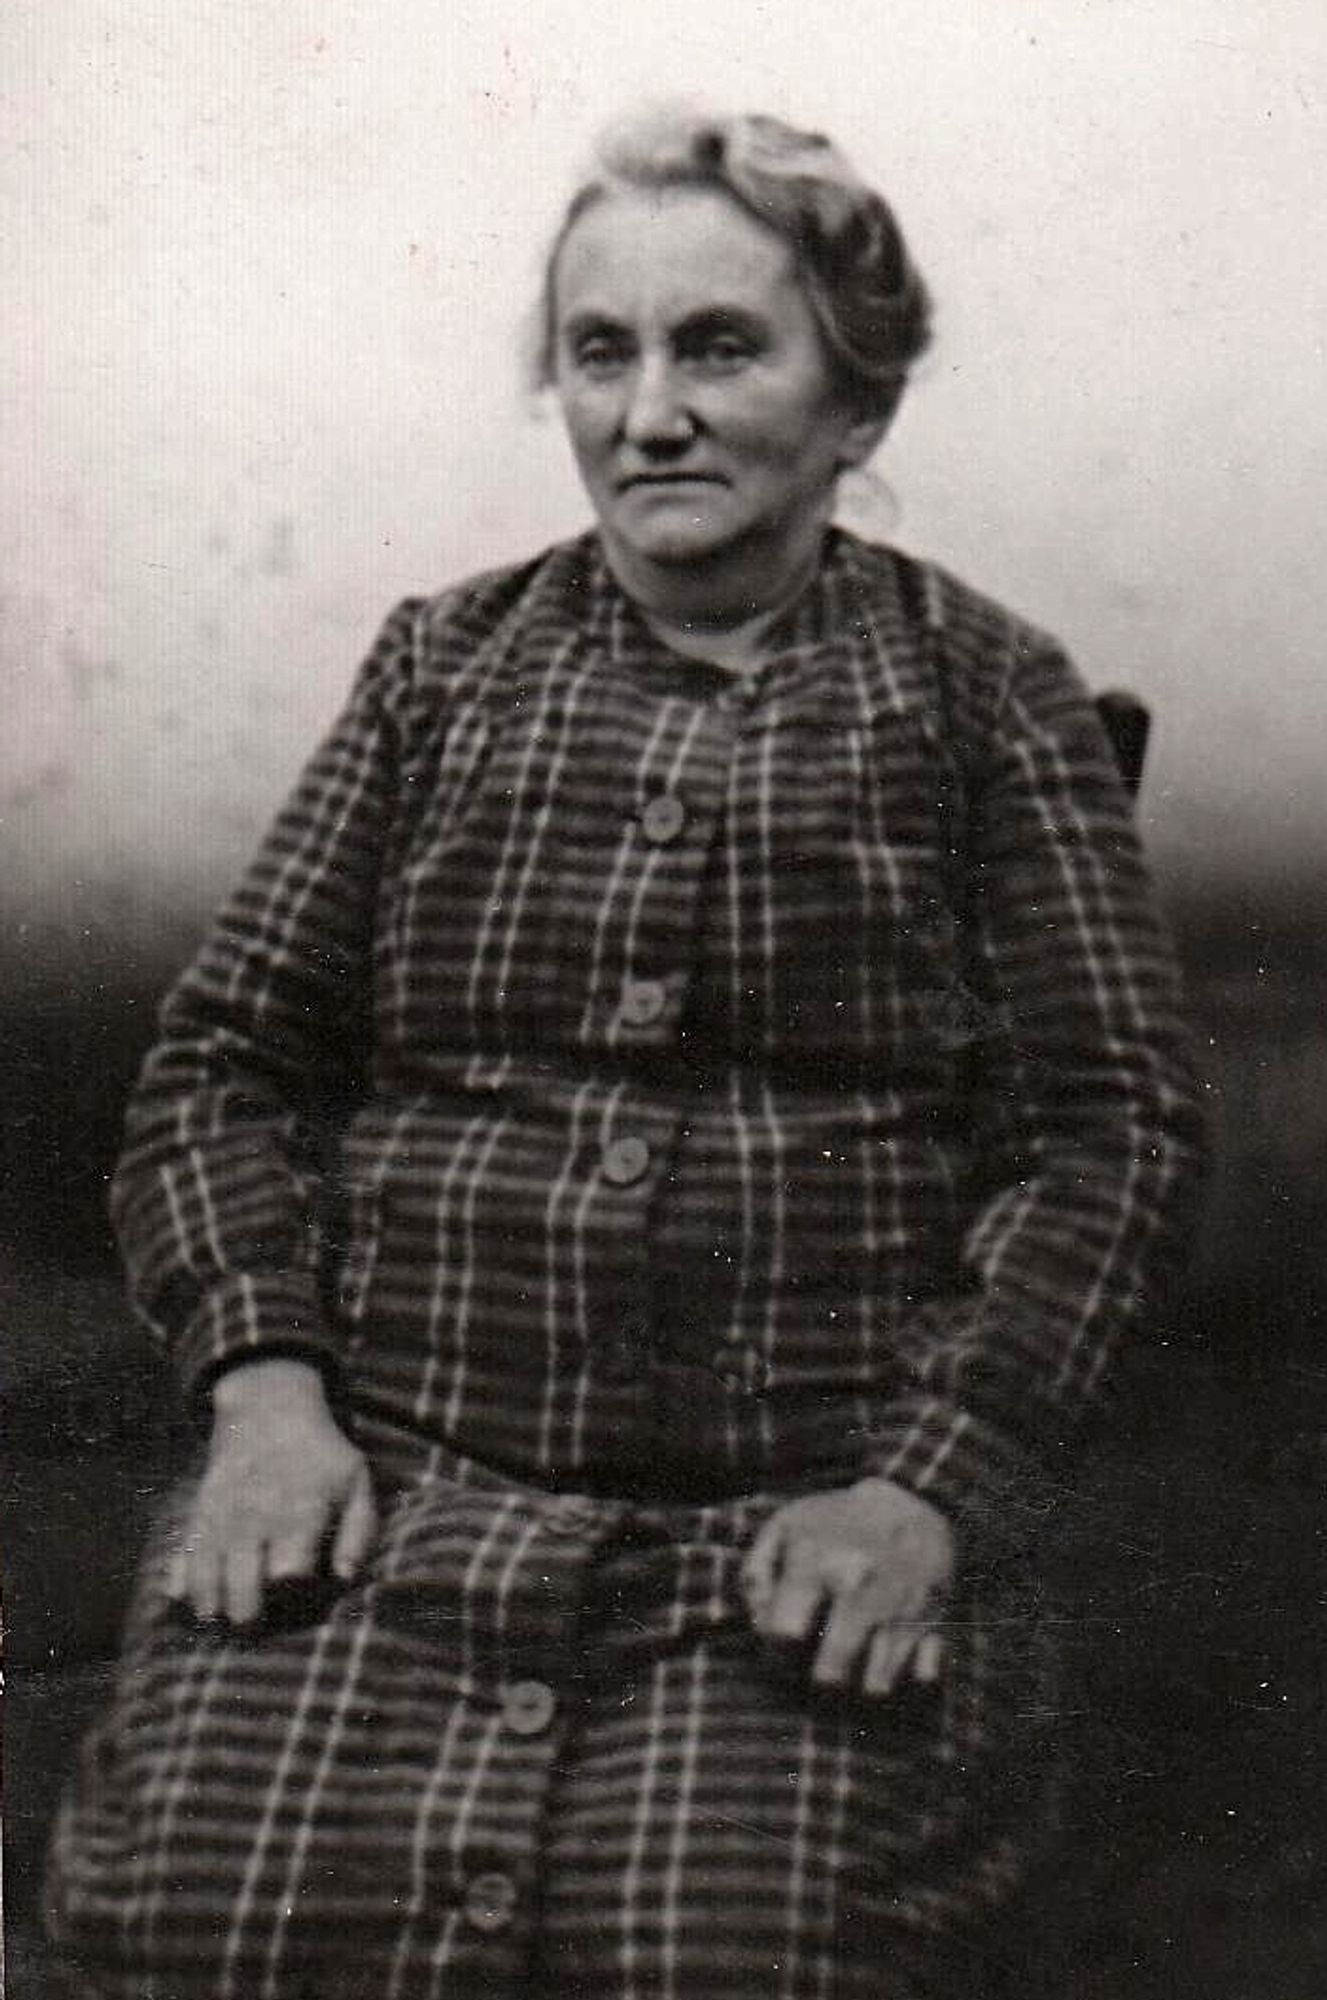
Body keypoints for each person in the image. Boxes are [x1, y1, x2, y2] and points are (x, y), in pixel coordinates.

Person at [48, 108, 1206, 1998]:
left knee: (721, 1957)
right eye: (603, 352)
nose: (648, 410)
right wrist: (264, 1399)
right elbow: (224, 1063)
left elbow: (1118, 1131)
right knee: (197, 1933)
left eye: (721, 347)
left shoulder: (991, 702)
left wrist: (923, 1491)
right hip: (390, 1495)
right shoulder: (440, 669)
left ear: (862, 400)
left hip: (795, 1532)